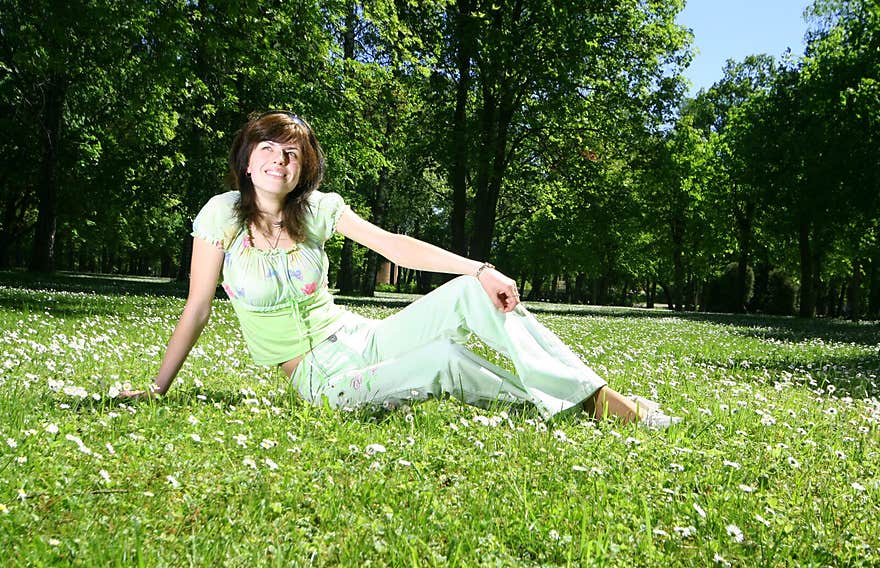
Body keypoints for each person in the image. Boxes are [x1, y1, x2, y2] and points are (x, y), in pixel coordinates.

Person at [123, 110, 680, 429]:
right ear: (248, 158)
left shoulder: (318, 210)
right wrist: (157, 388)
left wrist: (480, 267)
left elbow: (394, 246)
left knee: (471, 293)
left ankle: (603, 403)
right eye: (268, 148)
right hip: (321, 378)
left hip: (359, 337)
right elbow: (197, 308)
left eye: (292, 154)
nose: (279, 161)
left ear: (303, 170)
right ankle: (566, 407)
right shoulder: (219, 216)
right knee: (445, 359)